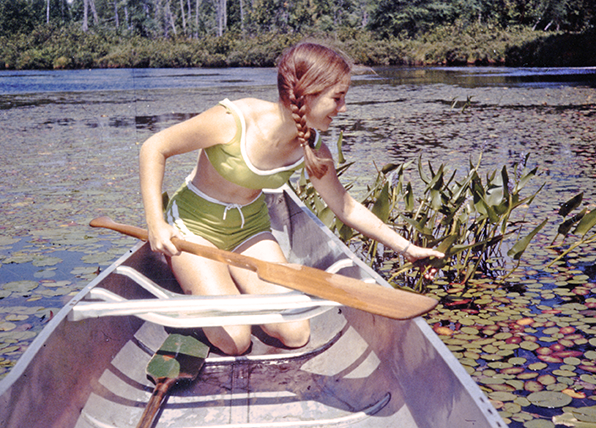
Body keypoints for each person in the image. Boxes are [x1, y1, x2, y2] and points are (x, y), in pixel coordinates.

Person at [139, 42, 444, 356]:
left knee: (296, 332)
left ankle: (228, 293)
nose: (344, 108)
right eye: (338, 98)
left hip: (249, 231)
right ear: (309, 92)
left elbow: (345, 206)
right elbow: (154, 147)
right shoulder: (234, 120)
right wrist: (156, 223)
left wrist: (406, 249)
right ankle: (211, 291)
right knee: (235, 342)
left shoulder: (312, 145)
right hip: (194, 231)